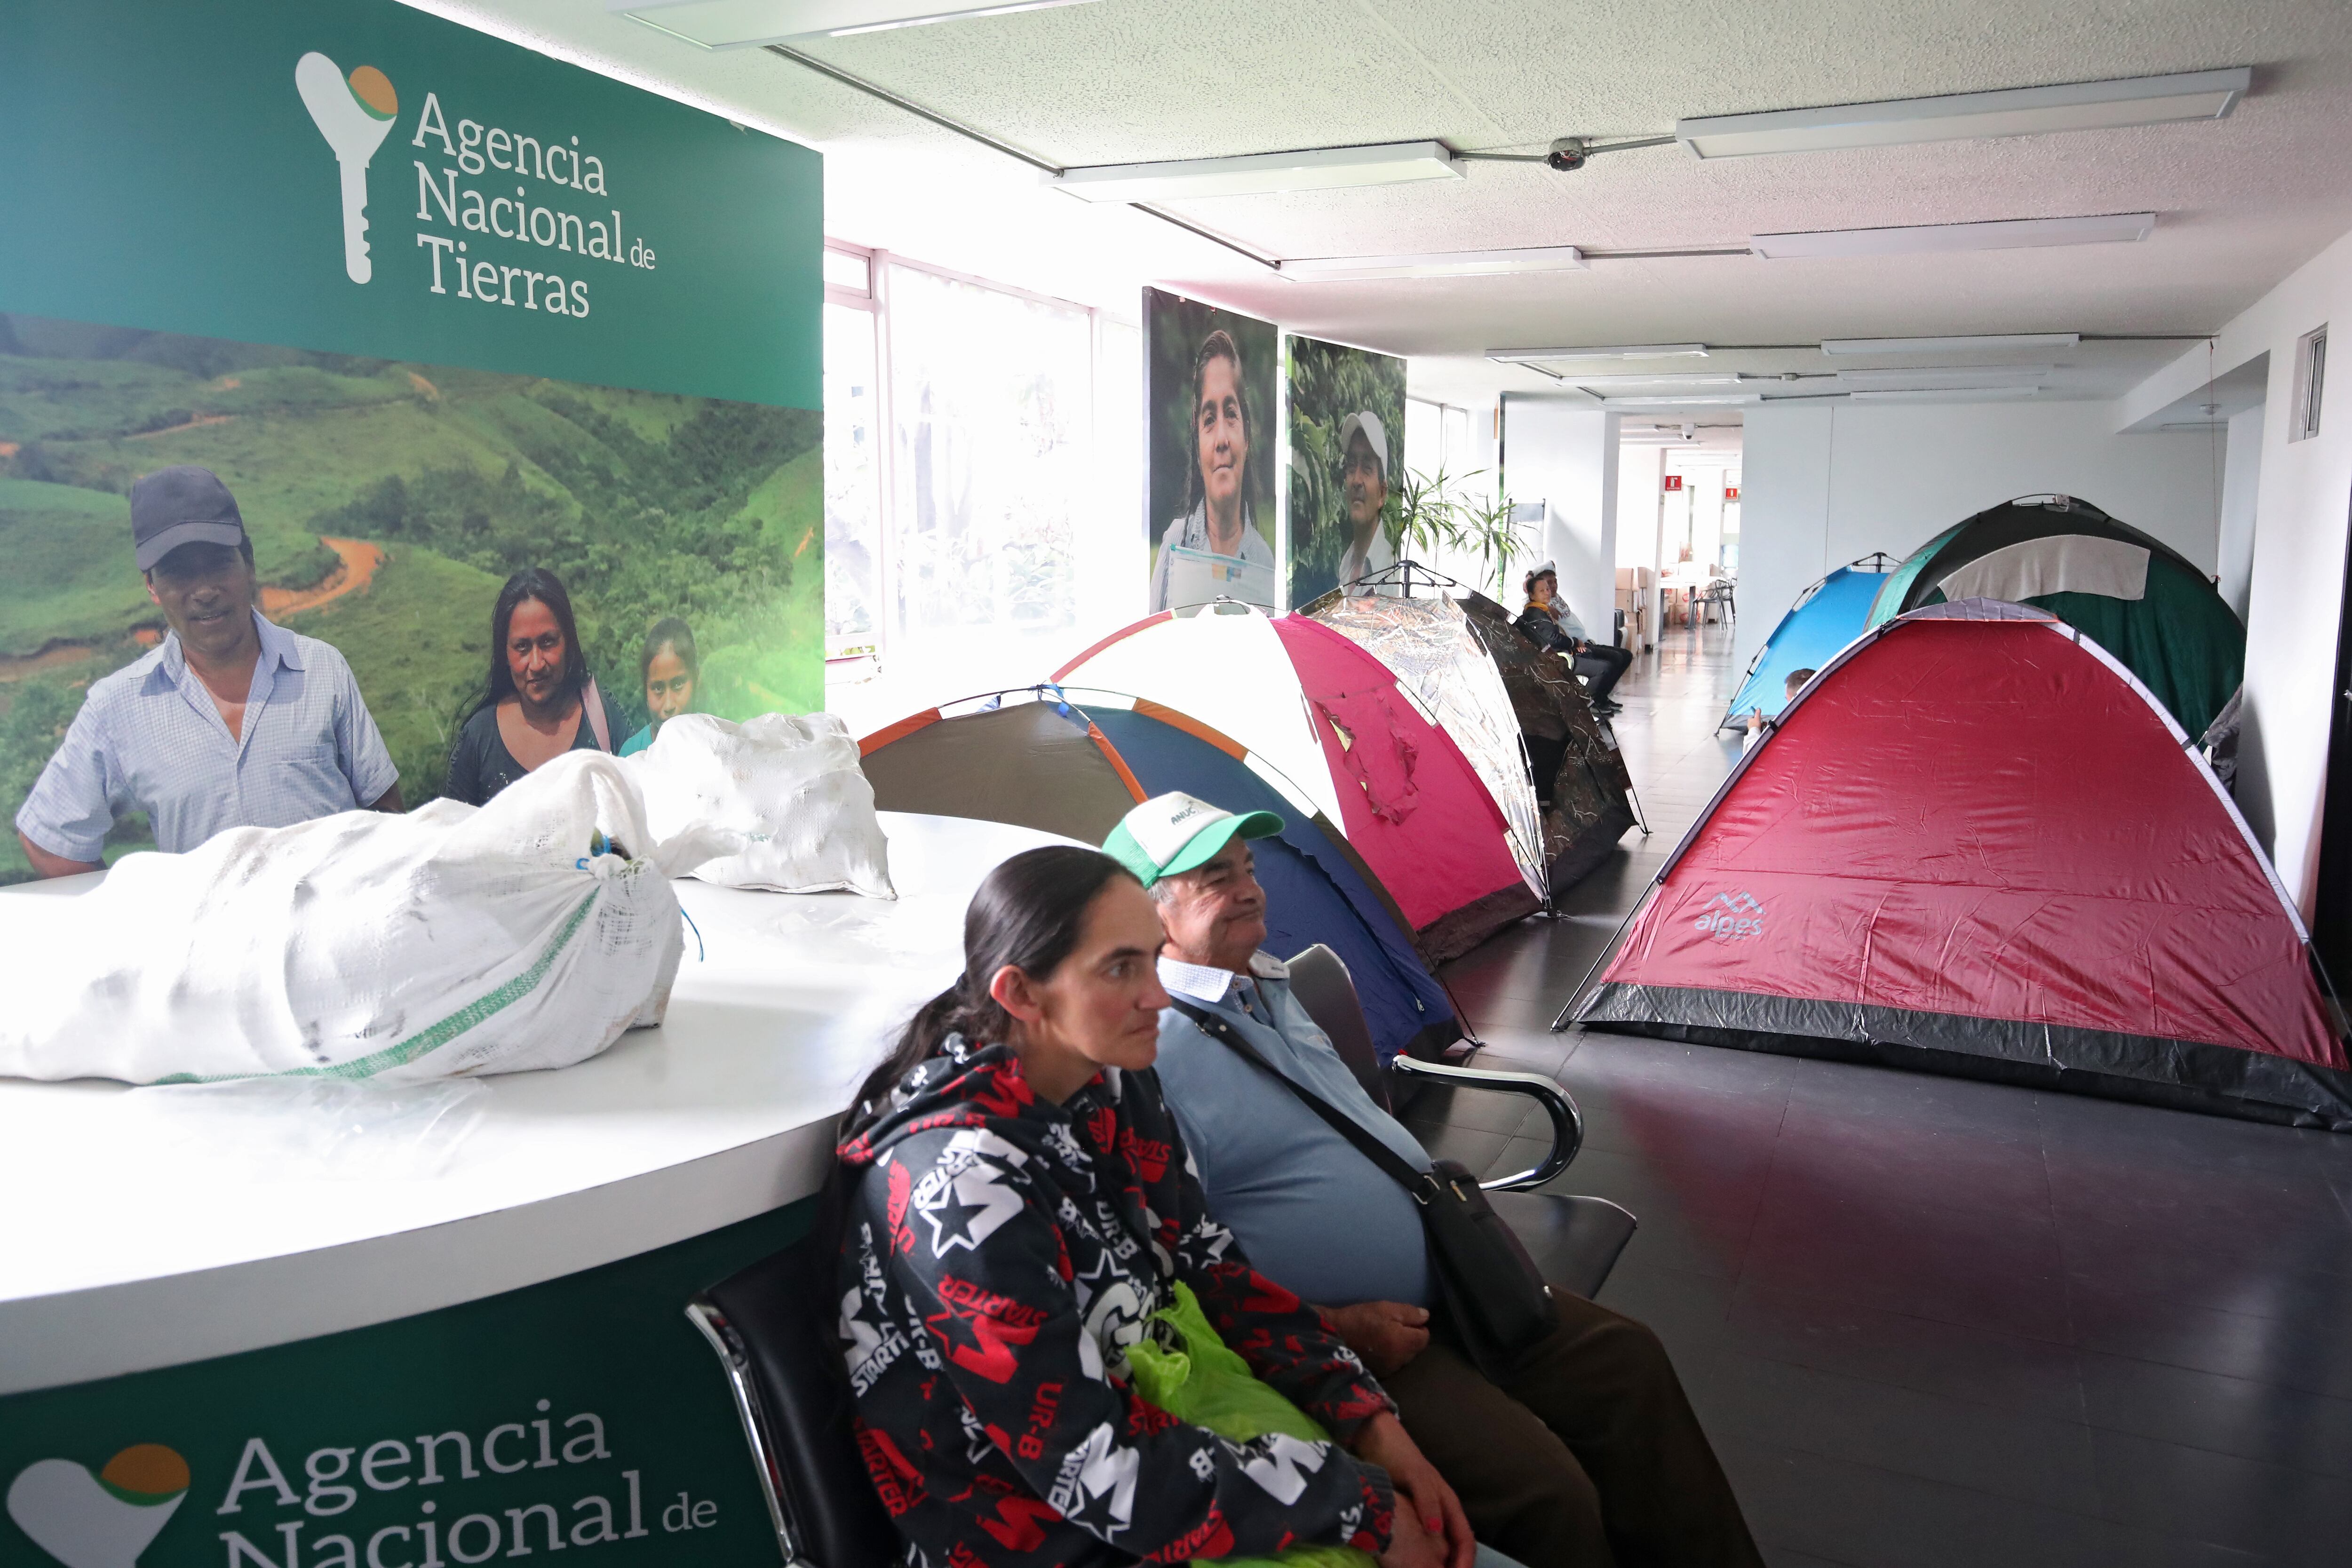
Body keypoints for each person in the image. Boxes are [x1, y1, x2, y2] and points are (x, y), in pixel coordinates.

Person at [1107, 791, 1765, 1568]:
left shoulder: (1266, 981)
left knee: (1628, 1363)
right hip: (1359, 1336)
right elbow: (1179, 1269)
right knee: (1546, 1494)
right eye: (1215, 876)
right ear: (1149, 915)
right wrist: (1334, 1327)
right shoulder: (1153, 1057)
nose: (1249, 887)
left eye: (1248, 867)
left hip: (1456, 1266)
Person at [834, 844, 1493, 1568]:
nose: (1157, 994)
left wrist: (1366, 1420)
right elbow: (1094, 1472)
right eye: (1121, 968)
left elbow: (1216, 1272)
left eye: (1153, 958)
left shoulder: (1114, 1081)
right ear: (1021, 994)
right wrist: (1360, 1507)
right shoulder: (959, 1190)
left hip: (1174, 1460)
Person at [14, 466, 401, 876]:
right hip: (207, 942)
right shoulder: (117, 706)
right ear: (151, 585)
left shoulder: (321, 668)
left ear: (248, 563)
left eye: (217, 564)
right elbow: (49, 841)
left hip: (330, 937)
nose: (203, 590)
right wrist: (132, 917)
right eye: (178, 572)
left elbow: (387, 810)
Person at [442, 568, 628, 806]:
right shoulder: (480, 738)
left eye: (548, 642)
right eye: (522, 647)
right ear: (505, 653)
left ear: (568, 641)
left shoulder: (601, 715)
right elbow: (452, 835)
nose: (537, 663)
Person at [1150, 329, 1276, 612]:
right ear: (1197, 446)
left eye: (1231, 414)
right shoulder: (1174, 547)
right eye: (1209, 419)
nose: (1221, 439)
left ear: (1247, 438)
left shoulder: (1264, 563)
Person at [1517, 565, 1632, 715]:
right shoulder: (1536, 613)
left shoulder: (1547, 606)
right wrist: (1574, 643)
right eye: (1544, 589)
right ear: (1531, 595)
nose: (1549, 591)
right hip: (1561, 657)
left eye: (1550, 587)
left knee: (1621, 657)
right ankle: (1586, 707)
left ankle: (1599, 700)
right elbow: (1553, 639)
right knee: (1606, 666)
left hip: (1573, 646)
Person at [1335, 410, 1397, 595]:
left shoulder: (1392, 574)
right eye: (1352, 466)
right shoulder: (1345, 566)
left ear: (1382, 494)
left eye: (1367, 468)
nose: (1356, 480)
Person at [619, 616, 699, 757]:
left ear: (696, 679)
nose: (669, 706)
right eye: (658, 689)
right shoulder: (631, 754)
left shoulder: (717, 745)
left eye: (678, 685)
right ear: (645, 689)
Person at [1743, 668, 1815, 754]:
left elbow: (1753, 756)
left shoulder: (1796, 734)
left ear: (1796, 701)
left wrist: (1754, 729)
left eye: (1789, 702)